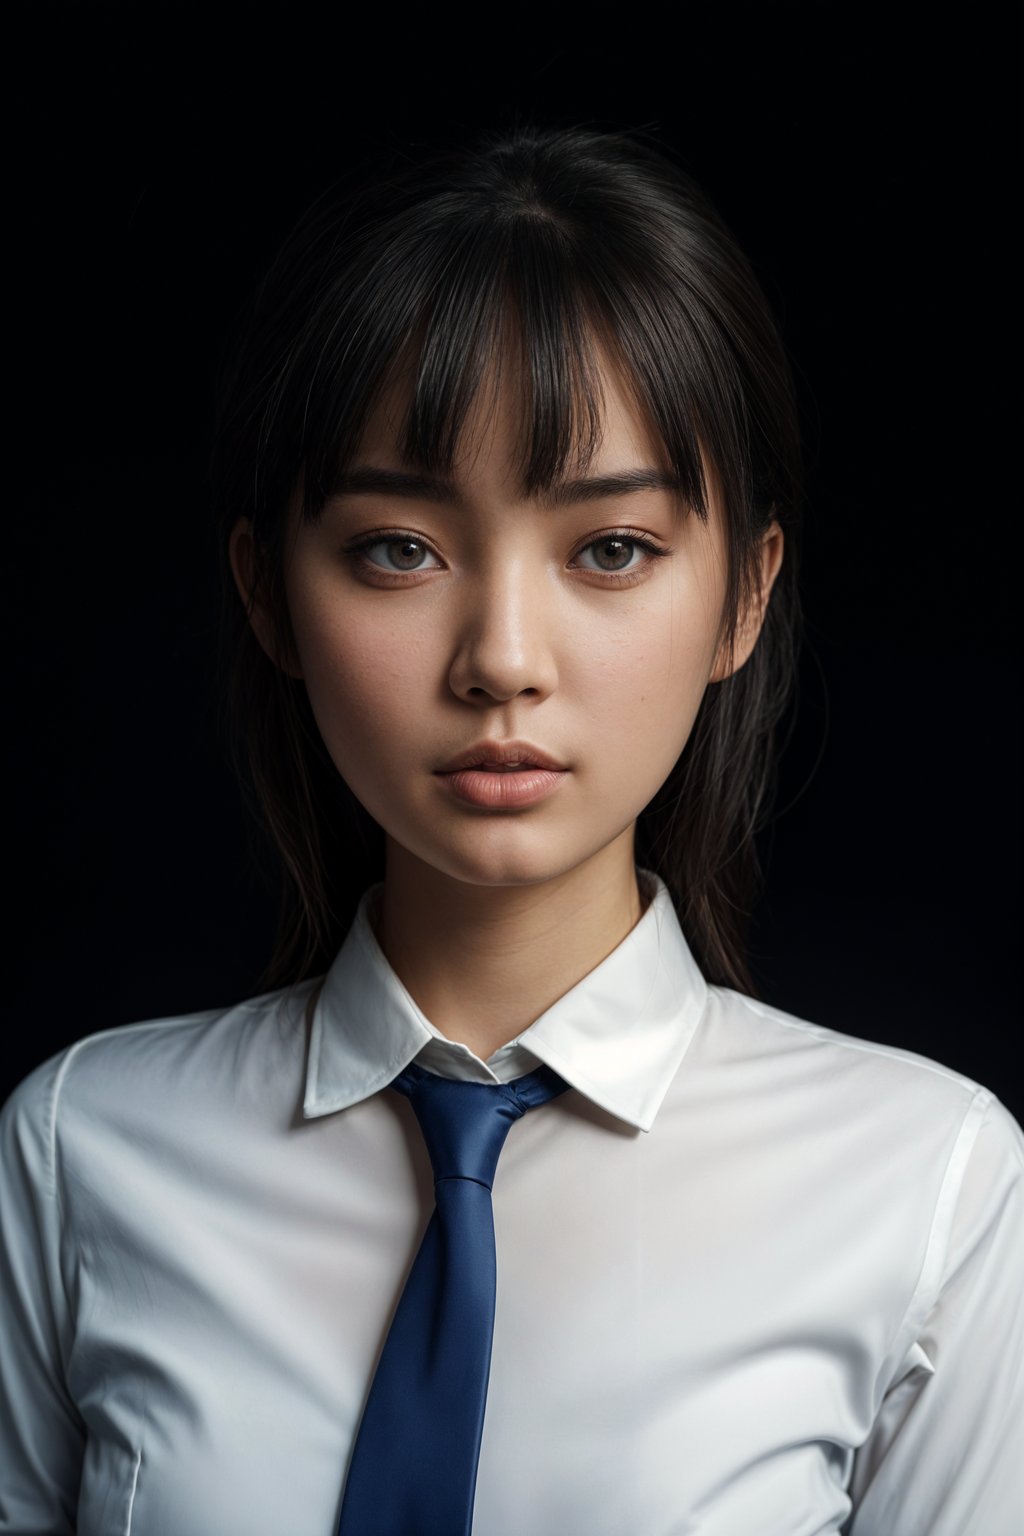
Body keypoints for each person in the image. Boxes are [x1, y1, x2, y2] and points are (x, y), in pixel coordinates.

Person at [1, 125, 1020, 1536]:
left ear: (744, 596)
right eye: (397, 550)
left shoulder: (930, 1188)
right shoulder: (79, 1153)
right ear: (267, 593)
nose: (501, 658)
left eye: (611, 550)